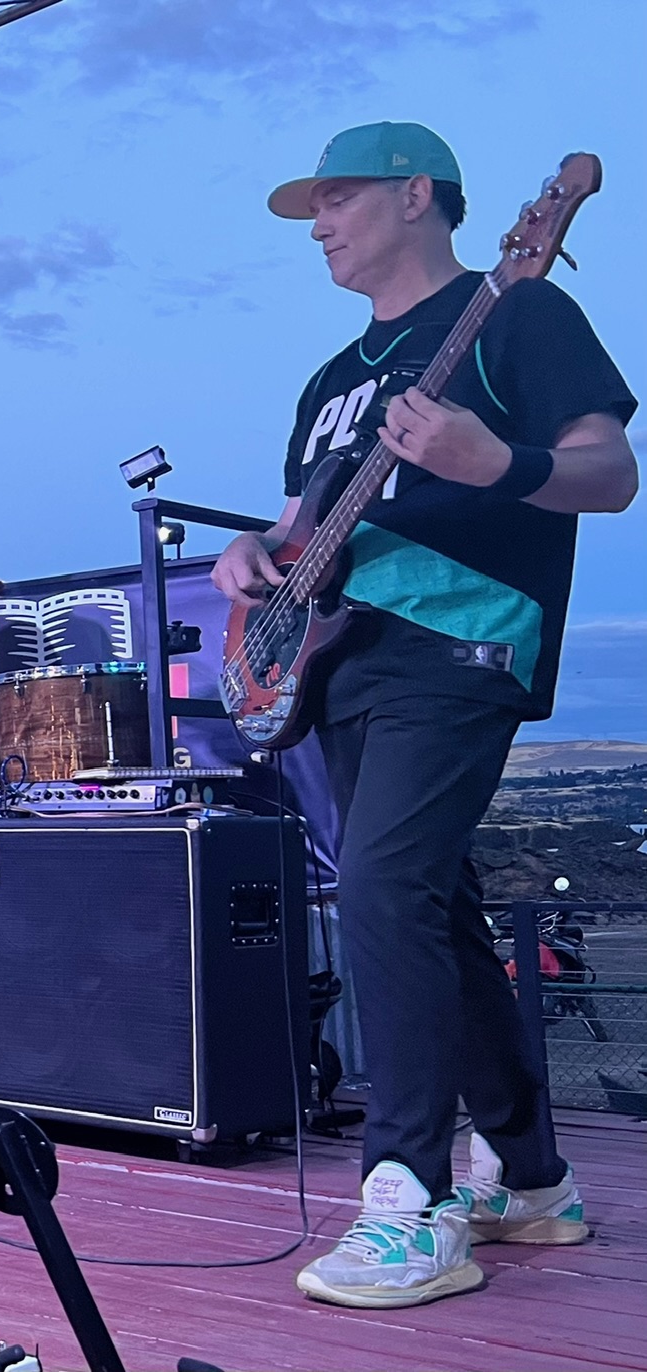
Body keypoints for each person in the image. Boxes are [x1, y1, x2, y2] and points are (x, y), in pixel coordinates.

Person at [214, 122, 636, 1309]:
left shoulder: (516, 312)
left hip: (457, 641)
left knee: (385, 892)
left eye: (337, 196)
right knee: (434, 909)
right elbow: (313, 524)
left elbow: (609, 473)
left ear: (419, 195)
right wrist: (258, 553)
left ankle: (410, 1198)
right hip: (341, 656)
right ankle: (534, 1180)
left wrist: (491, 461)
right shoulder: (331, 380)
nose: (318, 222)